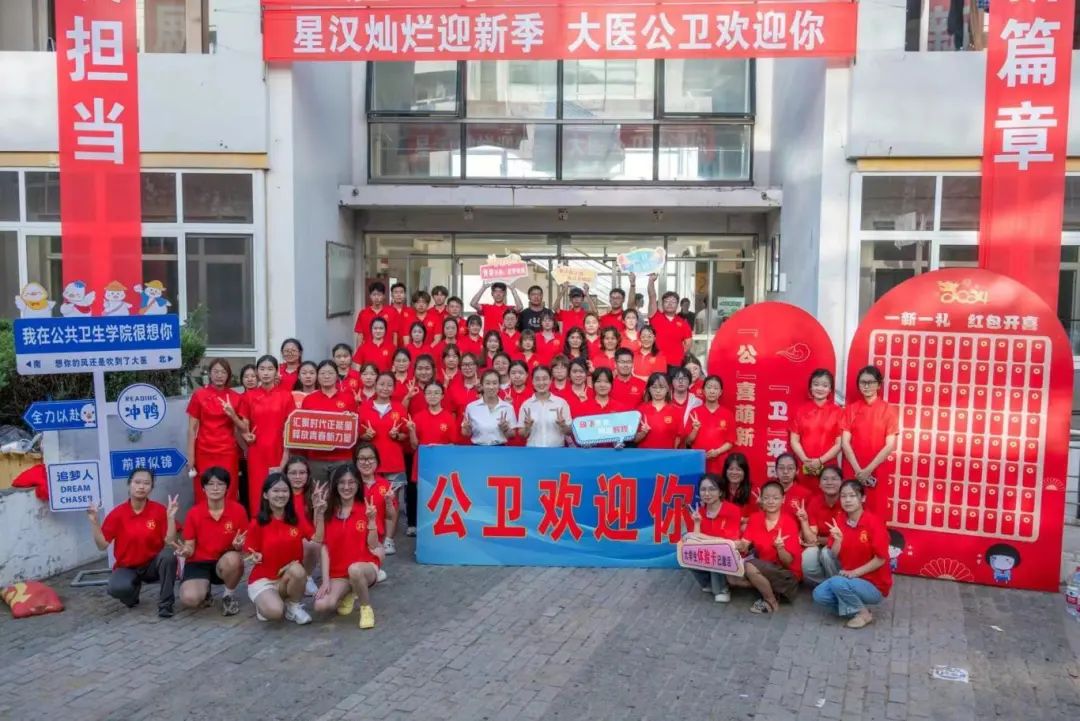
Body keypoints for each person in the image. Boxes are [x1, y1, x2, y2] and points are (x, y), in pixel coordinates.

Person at [87, 468, 178, 618]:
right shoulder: (118, 514)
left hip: (151, 566)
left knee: (168, 556)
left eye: (146, 483)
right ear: (129, 484)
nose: (141, 487)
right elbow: (102, 545)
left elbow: (170, 540)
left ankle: (166, 604)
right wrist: (94, 522)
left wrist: (171, 518)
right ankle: (132, 595)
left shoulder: (159, 510)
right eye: (137, 482)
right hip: (127, 567)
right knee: (117, 588)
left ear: (151, 487)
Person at [244, 472, 328, 624]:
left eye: (284, 491)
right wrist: (254, 557)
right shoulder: (257, 523)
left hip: (287, 576)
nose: (280, 495)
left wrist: (320, 514)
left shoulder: (296, 518)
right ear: (265, 495)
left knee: (298, 570)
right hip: (264, 579)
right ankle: (265, 602)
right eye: (276, 491)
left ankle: (293, 606)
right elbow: (249, 552)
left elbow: (318, 539)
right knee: (275, 613)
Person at [812, 480, 892, 628]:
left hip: (874, 585)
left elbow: (881, 559)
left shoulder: (874, 523)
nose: (847, 500)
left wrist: (854, 573)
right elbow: (833, 554)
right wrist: (838, 540)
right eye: (843, 496)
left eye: (852, 496)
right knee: (819, 594)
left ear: (863, 498)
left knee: (837, 582)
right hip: (849, 579)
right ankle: (854, 608)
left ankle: (863, 613)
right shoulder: (840, 519)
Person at [313, 464, 381, 629]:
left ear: (358, 485)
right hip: (339, 573)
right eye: (342, 482)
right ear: (336, 485)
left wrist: (372, 521)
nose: (346, 487)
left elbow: (373, 545)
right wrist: (325, 581)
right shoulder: (328, 510)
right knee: (321, 605)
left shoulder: (367, 508)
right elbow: (321, 543)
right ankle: (351, 590)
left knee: (354, 570)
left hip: (364, 567)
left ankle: (366, 608)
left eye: (351, 482)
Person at [173, 467, 248, 616]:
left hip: (224, 562)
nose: (215, 488)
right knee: (190, 599)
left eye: (220, 484)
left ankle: (228, 596)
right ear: (203, 488)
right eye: (210, 484)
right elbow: (190, 547)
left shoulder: (238, 510)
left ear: (227, 487)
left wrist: (240, 546)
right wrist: (185, 551)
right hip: (199, 562)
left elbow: (245, 545)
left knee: (234, 560)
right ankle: (205, 592)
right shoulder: (194, 513)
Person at [731, 481, 802, 614]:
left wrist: (780, 548)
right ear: (761, 499)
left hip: (787, 575)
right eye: (766, 498)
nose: (771, 501)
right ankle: (771, 590)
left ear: (783, 499)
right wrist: (738, 545)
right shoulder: (755, 518)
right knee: (732, 578)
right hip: (765, 567)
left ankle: (771, 601)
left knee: (750, 567)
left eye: (775, 498)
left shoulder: (789, 522)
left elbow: (788, 562)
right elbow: (745, 544)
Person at [358, 372, 409, 554]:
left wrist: (398, 435)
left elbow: (405, 435)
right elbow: (358, 434)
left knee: (391, 502)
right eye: (382, 384)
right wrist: (365, 436)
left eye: (389, 385)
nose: (385, 388)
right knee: (369, 500)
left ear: (394, 388)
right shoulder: (364, 407)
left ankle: (388, 539)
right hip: (370, 464)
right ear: (375, 385)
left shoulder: (399, 408)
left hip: (393, 462)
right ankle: (369, 536)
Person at [237, 355, 295, 513]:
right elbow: (243, 428)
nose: (266, 373)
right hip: (256, 452)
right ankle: (257, 522)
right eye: (262, 369)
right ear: (257, 372)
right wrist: (246, 441)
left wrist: (286, 455)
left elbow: (291, 428)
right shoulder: (249, 397)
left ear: (276, 372)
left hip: (279, 451)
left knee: (279, 489)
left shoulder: (286, 396)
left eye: (270, 369)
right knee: (257, 491)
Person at [841, 366, 899, 518]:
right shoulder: (851, 409)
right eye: (862, 382)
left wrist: (868, 470)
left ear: (879, 385)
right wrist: (858, 470)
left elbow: (890, 445)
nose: (866, 386)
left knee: (876, 510)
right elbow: (845, 442)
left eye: (871, 382)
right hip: (853, 468)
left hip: (876, 470)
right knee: (851, 508)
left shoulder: (889, 410)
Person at [186, 358, 242, 504]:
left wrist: (233, 415)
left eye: (223, 372)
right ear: (209, 374)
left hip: (227, 451)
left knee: (228, 488)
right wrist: (190, 456)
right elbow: (192, 428)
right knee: (204, 489)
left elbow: (241, 427)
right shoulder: (199, 395)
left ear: (228, 375)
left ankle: (228, 518)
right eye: (216, 371)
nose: (219, 375)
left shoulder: (236, 397)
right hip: (204, 450)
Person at [406, 382, 458, 535]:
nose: (432, 396)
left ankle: (439, 529)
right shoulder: (418, 417)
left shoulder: (448, 417)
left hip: (441, 465)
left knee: (440, 498)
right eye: (429, 393)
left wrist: (439, 447)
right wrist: (411, 431)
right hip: (422, 463)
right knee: (423, 498)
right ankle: (424, 533)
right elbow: (414, 445)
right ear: (424, 396)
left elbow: (453, 444)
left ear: (442, 396)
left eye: (436, 392)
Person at [299, 361, 360, 482]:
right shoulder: (309, 399)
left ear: (337, 376)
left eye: (330, 373)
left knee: (343, 491)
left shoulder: (348, 399)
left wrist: (350, 422)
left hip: (342, 456)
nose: (326, 376)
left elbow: (356, 429)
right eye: (322, 373)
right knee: (317, 491)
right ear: (317, 376)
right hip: (316, 458)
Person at [685, 473, 742, 603]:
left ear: (720, 492)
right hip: (708, 553)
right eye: (703, 489)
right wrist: (697, 523)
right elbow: (693, 543)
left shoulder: (732, 510)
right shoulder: (698, 512)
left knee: (717, 550)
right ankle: (709, 583)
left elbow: (729, 541)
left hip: (729, 555)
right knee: (687, 552)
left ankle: (722, 589)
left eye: (712, 489)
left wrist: (703, 539)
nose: (707, 493)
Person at [790, 369, 844, 490]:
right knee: (803, 495)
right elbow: (794, 440)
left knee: (827, 496)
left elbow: (839, 444)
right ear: (810, 387)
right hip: (804, 465)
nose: (820, 388)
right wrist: (805, 459)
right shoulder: (800, 411)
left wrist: (820, 461)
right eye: (816, 384)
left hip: (828, 467)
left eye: (825, 385)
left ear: (830, 389)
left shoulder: (838, 412)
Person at [799, 465, 845, 585]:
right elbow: (811, 538)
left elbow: (845, 538)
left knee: (826, 553)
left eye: (834, 479)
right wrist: (804, 521)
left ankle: (840, 585)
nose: (829, 482)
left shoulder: (847, 501)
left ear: (842, 482)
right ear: (819, 484)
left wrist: (819, 540)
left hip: (843, 546)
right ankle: (828, 585)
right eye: (825, 479)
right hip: (820, 544)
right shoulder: (815, 502)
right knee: (807, 558)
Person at [283, 456, 321, 594]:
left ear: (308, 474)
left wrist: (318, 507)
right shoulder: (279, 494)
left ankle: (307, 576)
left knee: (314, 543)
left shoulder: (314, 493)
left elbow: (318, 527)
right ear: (285, 474)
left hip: (309, 540)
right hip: (286, 539)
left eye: (302, 472)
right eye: (293, 473)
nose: (298, 477)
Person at [354, 442, 399, 559]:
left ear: (377, 461)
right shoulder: (350, 484)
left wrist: (389, 503)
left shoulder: (384, 484)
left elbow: (390, 516)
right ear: (355, 461)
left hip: (376, 538)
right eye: (362, 459)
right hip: (354, 535)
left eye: (371, 458)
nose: (366, 462)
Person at [685, 375, 735, 475]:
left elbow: (730, 442)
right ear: (703, 391)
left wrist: (717, 452)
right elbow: (688, 442)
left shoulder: (727, 414)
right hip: (699, 461)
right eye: (709, 387)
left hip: (720, 462)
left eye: (715, 388)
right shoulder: (695, 412)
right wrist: (695, 429)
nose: (712, 391)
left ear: (720, 392)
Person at [519, 366, 573, 448]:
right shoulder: (526, 405)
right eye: (537, 379)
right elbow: (522, 435)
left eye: (545, 379)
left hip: (557, 450)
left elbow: (569, 432)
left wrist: (563, 425)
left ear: (550, 380)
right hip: (533, 450)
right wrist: (527, 427)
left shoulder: (561, 403)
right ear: (532, 381)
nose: (541, 383)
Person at [646, 276, 693, 365]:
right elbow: (652, 296)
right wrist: (651, 280)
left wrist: (679, 355)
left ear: (677, 305)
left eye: (673, 301)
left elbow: (688, 343)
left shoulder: (683, 323)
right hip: (656, 362)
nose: (670, 304)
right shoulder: (655, 317)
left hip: (676, 364)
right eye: (667, 301)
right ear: (662, 304)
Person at [462, 369, 515, 445]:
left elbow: (512, 435)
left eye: (495, 383)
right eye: (487, 383)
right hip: (477, 448)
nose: (491, 387)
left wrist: (506, 429)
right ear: (482, 385)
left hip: (500, 448)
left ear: (499, 385)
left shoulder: (507, 407)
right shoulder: (471, 407)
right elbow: (465, 433)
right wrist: (467, 429)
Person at [634, 373, 684, 449]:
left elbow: (679, 437)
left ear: (668, 389)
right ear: (649, 389)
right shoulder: (640, 410)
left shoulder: (676, 411)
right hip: (645, 455)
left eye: (662, 387)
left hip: (667, 455)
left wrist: (673, 453)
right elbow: (634, 440)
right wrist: (643, 433)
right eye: (654, 387)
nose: (658, 391)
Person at [354, 281, 394, 348]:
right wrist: (358, 351)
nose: (376, 297)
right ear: (370, 296)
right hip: (368, 348)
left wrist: (394, 349)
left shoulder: (391, 312)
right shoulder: (363, 313)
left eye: (379, 295)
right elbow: (360, 335)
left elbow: (394, 334)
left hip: (387, 349)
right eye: (374, 295)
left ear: (383, 296)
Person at [774, 452, 813, 520]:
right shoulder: (768, 492)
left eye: (790, 468)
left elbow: (809, 523)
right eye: (781, 468)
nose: (785, 471)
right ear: (776, 470)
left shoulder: (806, 494)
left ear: (797, 471)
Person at [720, 452, 755, 522]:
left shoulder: (753, 492)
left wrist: (740, 520)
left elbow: (757, 519)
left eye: (738, 469)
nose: (734, 473)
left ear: (745, 472)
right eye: (731, 469)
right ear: (725, 471)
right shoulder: (718, 490)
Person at [446, 353, 482, 418]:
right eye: (464, 365)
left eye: (471, 364)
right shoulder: (453, 388)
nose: (467, 367)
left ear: (476, 366)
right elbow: (451, 413)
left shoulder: (483, 387)